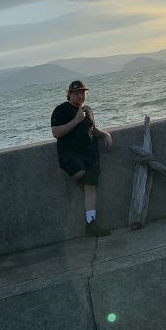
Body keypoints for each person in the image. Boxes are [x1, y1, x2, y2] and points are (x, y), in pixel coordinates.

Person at [51, 79, 114, 237]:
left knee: (91, 187)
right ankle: (90, 222)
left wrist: (105, 134)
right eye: (77, 93)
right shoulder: (61, 110)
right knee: (80, 175)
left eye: (83, 93)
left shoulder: (88, 110)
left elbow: (91, 128)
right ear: (69, 94)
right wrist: (76, 120)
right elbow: (56, 133)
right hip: (70, 154)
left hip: (91, 154)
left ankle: (91, 223)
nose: (80, 96)